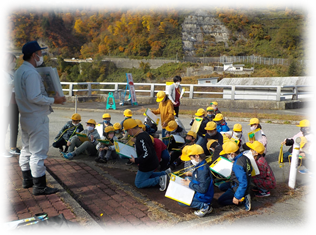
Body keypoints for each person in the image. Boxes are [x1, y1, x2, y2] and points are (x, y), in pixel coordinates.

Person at [14, 41, 66, 195]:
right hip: (36, 116)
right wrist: (53, 100)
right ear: (33, 55)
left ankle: (27, 179)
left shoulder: (19, 71)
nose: (41, 56)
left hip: (25, 115)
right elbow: (34, 96)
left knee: (27, 149)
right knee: (38, 152)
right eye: (40, 53)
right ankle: (39, 186)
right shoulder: (31, 73)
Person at [123, 119, 171, 190]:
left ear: (131, 129)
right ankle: (164, 174)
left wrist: (136, 160)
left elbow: (146, 153)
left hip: (147, 164)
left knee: (139, 183)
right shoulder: (144, 134)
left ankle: (160, 180)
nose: (128, 133)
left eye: (127, 131)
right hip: (152, 162)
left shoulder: (140, 138)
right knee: (148, 175)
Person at [179, 144, 214, 217]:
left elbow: (202, 189)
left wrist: (189, 184)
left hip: (204, 196)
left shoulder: (202, 170)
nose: (191, 160)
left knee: (180, 201)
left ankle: (204, 206)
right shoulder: (202, 164)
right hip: (203, 190)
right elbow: (200, 177)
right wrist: (191, 174)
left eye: (191, 158)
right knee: (186, 179)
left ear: (197, 156)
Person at [217, 141, 252, 211]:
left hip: (238, 186)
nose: (227, 156)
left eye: (227, 155)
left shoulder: (237, 166)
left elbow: (243, 183)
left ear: (232, 154)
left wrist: (237, 196)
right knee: (221, 187)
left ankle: (242, 200)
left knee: (220, 201)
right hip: (245, 183)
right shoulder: (244, 158)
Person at [0, 52, 20, 157]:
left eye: (15, 62)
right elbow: (3, 87)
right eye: (12, 62)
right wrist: (14, 82)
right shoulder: (1, 73)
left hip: (15, 102)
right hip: (4, 103)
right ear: (7, 61)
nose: (14, 64)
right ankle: (2, 149)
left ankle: (13, 147)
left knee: (14, 126)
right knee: (3, 127)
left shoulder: (14, 72)